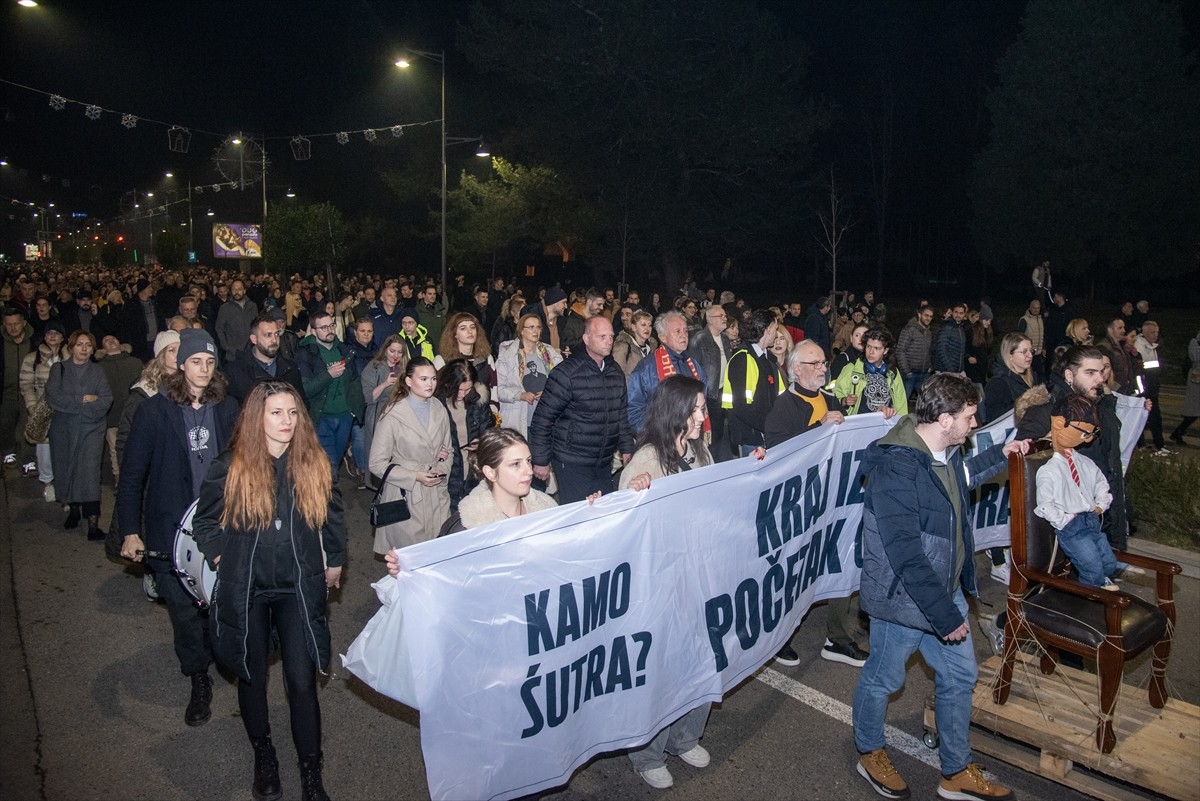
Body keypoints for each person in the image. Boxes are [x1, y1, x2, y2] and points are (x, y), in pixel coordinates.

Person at [853, 374, 1026, 801]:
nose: (975, 423)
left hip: (938, 592)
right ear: (945, 418)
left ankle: (955, 771)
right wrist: (945, 614)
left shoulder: (942, 451)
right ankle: (869, 751)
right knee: (883, 678)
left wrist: (999, 456)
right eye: (969, 417)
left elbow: (961, 476)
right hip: (904, 598)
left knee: (960, 674)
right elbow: (905, 554)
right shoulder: (897, 467)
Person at [192, 381, 342, 801]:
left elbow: (332, 516)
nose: (287, 422)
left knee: (301, 680)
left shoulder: (313, 462)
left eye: (293, 413)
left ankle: (311, 771)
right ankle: (265, 756)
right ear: (258, 417)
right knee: (252, 676)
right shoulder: (232, 465)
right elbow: (204, 522)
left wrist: (335, 558)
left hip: (297, 586)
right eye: (276, 413)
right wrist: (223, 557)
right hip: (249, 591)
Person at [117, 328, 239, 727]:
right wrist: (129, 530)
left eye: (209, 361)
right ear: (180, 365)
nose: (203, 369)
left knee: (223, 599)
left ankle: (228, 658)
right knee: (185, 612)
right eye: (195, 362)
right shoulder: (155, 411)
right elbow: (133, 474)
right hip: (170, 527)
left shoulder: (227, 407)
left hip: (220, 523)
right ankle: (198, 677)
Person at [616, 375, 714, 788]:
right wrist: (633, 496)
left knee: (701, 658)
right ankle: (647, 753)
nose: (702, 416)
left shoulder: (700, 451)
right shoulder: (646, 462)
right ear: (675, 412)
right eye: (695, 409)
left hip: (696, 573)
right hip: (658, 583)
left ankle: (684, 736)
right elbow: (624, 529)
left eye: (703, 408)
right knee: (659, 669)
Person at [765, 341, 871, 668]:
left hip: (833, 499)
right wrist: (817, 430)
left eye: (824, 362)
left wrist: (877, 419)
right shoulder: (783, 406)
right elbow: (781, 455)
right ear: (796, 369)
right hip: (800, 506)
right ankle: (779, 638)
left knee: (839, 559)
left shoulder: (830, 399)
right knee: (798, 569)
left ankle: (837, 638)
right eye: (816, 363)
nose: (823, 368)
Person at [528, 316, 634, 503]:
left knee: (605, 514)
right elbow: (542, 419)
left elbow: (620, 415)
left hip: (603, 461)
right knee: (579, 519)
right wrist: (541, 460)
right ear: (586, 339)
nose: (609, 341)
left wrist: (627, 448)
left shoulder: (614, 371)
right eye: (602, 336)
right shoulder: (566, 373)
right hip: (571, 462)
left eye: (611, 336)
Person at [1034, 393, 1121, 590]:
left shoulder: (1084, 462)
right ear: (1058, 424)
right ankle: (1089, 597)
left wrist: (1101, 503)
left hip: (1091, 519)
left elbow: (1101, 482)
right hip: (1072, 527)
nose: (1088, 439)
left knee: (1108, 562)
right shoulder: (1049, 471)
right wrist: (1064, 520)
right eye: (1084, 434)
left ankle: (1099, 583)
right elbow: (1045, 504)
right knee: (1091, 565)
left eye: (1092, 434)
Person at [369, 357, 452, 554]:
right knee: (408, 560)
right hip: (407, 494)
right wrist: (414, 476)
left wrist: (441, 470)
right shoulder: (393, 414)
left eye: (433, 379)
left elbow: (449, 450)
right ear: (408, 381)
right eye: (423, 379)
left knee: (438, 555)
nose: (430, 384)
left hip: (436, 493)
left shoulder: (439, 408)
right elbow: (376, 463)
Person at [45, 330, 113, 538]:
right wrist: (83, 399)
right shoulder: (59, 369)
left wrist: (79, 406)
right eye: (80, 344)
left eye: (88, 345)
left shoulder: (97, 371)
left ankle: (93, 523)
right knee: (68, 469)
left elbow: (105, 399)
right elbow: (53, 397)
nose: (84, 348)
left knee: (90, 473)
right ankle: (74, 511)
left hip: (91, 428)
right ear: (71, 346)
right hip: (64, 429)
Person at [296, 310, 366, 482]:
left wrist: (353, 410)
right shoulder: (306, 353)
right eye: (323, 327)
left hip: (345, 417)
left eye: (332, 325)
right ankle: (326, 501)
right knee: (329, 465)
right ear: (313, 330)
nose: (329, 330)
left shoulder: (345, 350)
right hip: (321, 418)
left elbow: (355, 382)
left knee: (334, 459)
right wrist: (328, 374)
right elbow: (305, 389)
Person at [626, 311, 707, 433]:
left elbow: (703, 398)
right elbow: (634, 409)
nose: (684, 335)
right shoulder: (647, 367)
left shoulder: (693, 364)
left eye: (685, 331)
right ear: (662, 337)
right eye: (677, 331)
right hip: (661, 439)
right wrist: (653, 437)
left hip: (691, 435)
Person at [433, 358, 496, 511]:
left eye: (467, 389)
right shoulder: (436, 403)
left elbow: (489, 428)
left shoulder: (477, 401)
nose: (462, 394)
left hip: (472, 467)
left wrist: (482, 441)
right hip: (447, 466)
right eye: (459, 389)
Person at [721, 309, 784, 456]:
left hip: (768, 436)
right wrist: (770, 426)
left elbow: (781, 398)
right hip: (750, 439)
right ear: (767, 329)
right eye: (775, 329)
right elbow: (740, 405)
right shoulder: (742, 360)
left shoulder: (769, 360)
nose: (776, 334)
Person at [19, 321, 66, 502]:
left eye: (56, 333)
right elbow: (26, 385)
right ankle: (48, 482)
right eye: (49, 333)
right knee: (44, 449)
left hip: (65, 409)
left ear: (62, 337)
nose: (52, 336)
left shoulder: (69, 357)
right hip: (42, 409)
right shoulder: (32, 358)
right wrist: (32, 407)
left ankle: (63, 483)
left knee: (64, 447)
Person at [494, 314, 562, 439]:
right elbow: (500, 390)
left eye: (538, 327)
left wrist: (549, 392)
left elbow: (562, 383)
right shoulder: (508, 356)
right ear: (521, 331)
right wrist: (520, 395)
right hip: (518, 419)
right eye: (531, 327)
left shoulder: (550, 353)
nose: (535, 330)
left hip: (546, 420)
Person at [360, 334, 409, 490]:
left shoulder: (406, 368)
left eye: (399, 352)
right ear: (385, 350)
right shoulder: (373, 367)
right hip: (378, 414)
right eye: (392, 351)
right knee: (377, 451)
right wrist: (385, 383)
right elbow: (368, 397)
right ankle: (376, 485)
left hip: (400, 415)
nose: (395, 356)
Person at [223, 312, 304, 404]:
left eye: (276, 334)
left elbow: (301, 404)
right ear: (254, 339)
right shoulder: (235, 372)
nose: (274, 340)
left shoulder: (290, 369)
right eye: (268, 335)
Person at [688, 305, 733, 462]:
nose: (724, 318)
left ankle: (717, 461)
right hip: (707, 395)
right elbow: (692, 370)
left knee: (720, 433)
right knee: (708, 435)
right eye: (720, 316)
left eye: (725, 315)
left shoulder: (726, 339)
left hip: (723, 392)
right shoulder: (698, 340)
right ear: (709, 320)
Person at [95, 334, 143, 481]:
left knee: (137, 447)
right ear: (102, 349)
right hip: (112, 415)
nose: (111, 341)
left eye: (114, 338)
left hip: (135, 414)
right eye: (106, 340)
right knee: (115, 450)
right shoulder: (98, 368)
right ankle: (119, 480)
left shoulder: (135, 363)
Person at [833, 328, 906, 419]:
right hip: (858, 425)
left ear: (885, 351)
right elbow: (835, 396)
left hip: (884, 426)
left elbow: (901, 405)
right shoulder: (851, 368)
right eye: (868, 346)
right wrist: (844, 400)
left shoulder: (893, 372)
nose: (871, 352)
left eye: (877, 348)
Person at [2, 306, 36, 472]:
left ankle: (28, 460)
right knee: (5, 425)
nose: (13, 327)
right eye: (9, 324)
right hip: (5, 395)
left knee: (28, 426)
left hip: (27, 393)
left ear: (23, 323)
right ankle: (8, 452)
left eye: (16, 323)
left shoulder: (34, 340)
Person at [433, 312, 495, 391]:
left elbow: (494, 389)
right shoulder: (441, 361)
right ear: (454, 334)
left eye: (472, 327)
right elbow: (436, 392)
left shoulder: (487, 358)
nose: (470, 331)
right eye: (463, 328)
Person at [1132, 321, 1168, 454]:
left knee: (1155, 418)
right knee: (1142, 418)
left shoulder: (1153, 347)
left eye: (1157, 332)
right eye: (1153, 332)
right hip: (1144, 390)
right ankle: (1141, 445)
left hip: (1152, 389)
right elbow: (1140, 372)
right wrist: (1141, 391)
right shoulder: (1139, 346)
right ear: (1145, 332)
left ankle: (1160, 445)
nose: (1155, 335)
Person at [215, 279, 259, 364]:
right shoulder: (224, 308)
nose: (237, 292)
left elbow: (257, 326)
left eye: (239, 289)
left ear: (244, 291)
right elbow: (219, 328)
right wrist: (225, 346)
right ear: (231, 291)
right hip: (233, 355)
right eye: (234, 289)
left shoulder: (252, 306)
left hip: (252, 352)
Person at [896, 305, 935, 401]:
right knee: (902, 403)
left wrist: (929, 366)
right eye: (926, 315)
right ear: (919, 315)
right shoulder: (909, 330)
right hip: (910, 374)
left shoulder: (928, 332)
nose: (928, 318)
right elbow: (900, 350)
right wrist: (907, 371)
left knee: (926, 403)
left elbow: (928, 351)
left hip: (924, 374)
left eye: (931, 316)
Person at [1171, 330, 1200, 446]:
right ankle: (1178, 432)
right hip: (1196, 381)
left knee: (1194, 412)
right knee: (1193, 412)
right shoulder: (1195, 342)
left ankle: (1178, 432)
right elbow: (1195, 358)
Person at [612, 309, 656, 377]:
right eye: (643, 325)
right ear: (634, 327)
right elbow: (616, 375)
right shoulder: (622, 346)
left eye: (649, 325)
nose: (647, 328)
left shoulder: (653, 347)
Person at [932, 303, 967, 375]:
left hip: (957, 370)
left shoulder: (960, 329)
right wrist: (950, 370)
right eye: (956, 312)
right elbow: (941, 350)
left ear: (964, 315)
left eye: (961, 313)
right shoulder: (947, 328)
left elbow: (961, 351)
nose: (958, 315)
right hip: (945, 371)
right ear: (952, 313)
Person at [1017, 299, 1045, 382]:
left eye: (1038, 308)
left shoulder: (1040, 319)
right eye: (1034, 308)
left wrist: (1043, 348)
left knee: (1039, 375)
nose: (1036, 310)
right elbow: (1019, 336)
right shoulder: (1024, 320)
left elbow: (1042, 335)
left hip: (1038, 353)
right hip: (1028, 353)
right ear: (1030, 308)